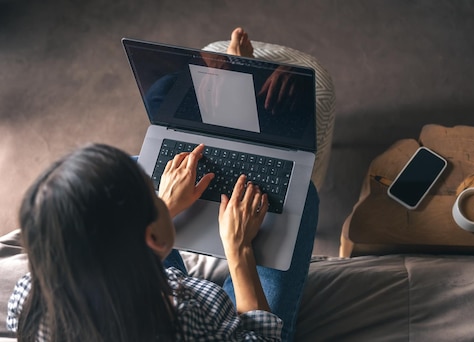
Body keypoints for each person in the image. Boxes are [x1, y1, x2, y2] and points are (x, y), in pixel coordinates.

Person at [7, 28, 318, 342]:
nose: (162, 191)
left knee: (163, 95)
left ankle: (229, 92)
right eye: (153, 192)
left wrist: (159, 211)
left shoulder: (30, 298)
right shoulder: (186, 312)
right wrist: (240, 251)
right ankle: (239, 90)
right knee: (300, 195)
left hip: (129, 292)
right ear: (151, 239)